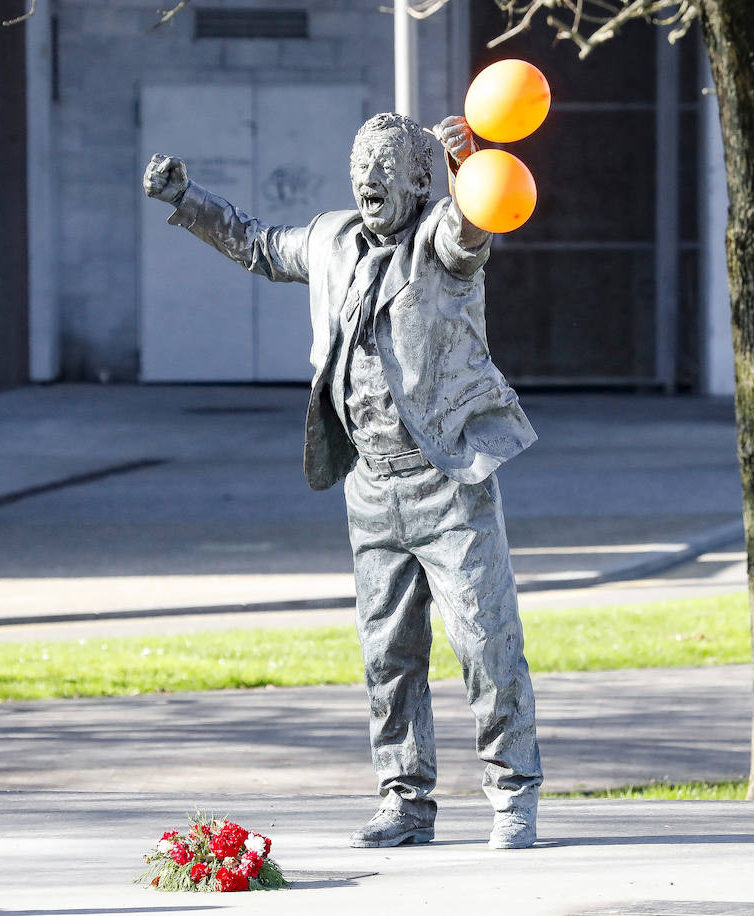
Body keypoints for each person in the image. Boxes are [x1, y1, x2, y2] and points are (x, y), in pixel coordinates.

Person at [143, 111, 542, 850]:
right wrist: (186, 198)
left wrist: (470, 169)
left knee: (486, 644)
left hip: (447, 483)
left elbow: (471, 228)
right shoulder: (330, 240)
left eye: (386, 164)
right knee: (387, 655)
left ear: (419, 179)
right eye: (361, 162)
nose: (369, 176)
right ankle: (404, 801)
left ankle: (514, 794)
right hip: (371, 488)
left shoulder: (440, 241)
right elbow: (259, 245)